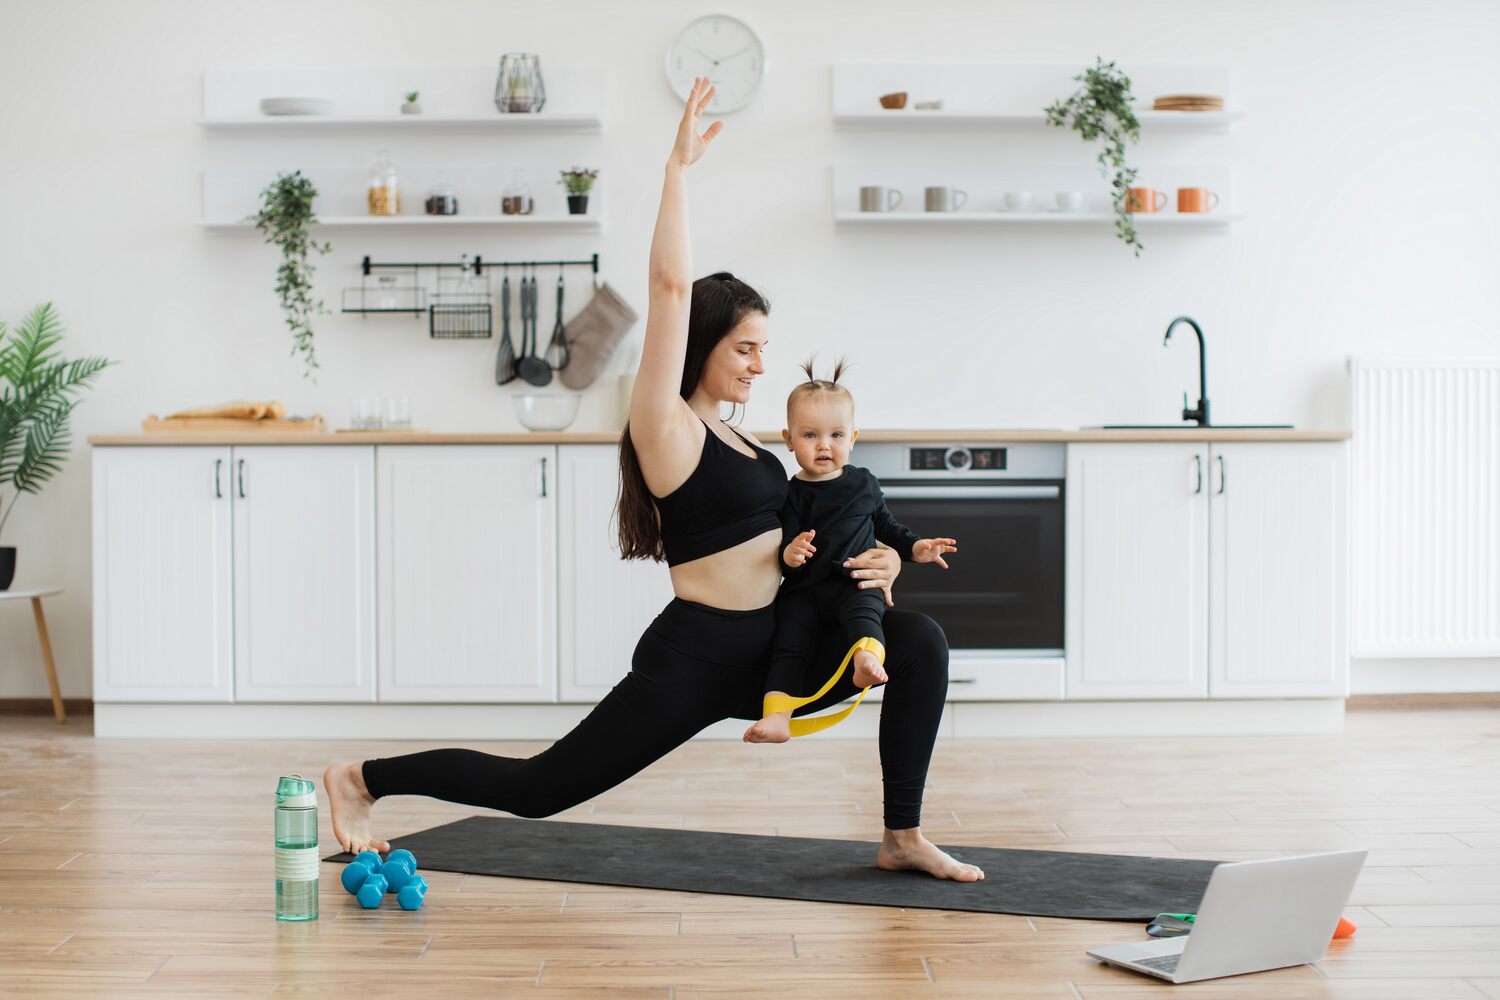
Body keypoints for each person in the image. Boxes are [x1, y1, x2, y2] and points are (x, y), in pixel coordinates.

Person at [323, 77, 984, 883]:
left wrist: (875, 564)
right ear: (701, 344)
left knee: (920, 642)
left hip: (779, 642)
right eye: (745, 348)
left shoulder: (753, 443)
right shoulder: (666, 428)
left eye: (764, 350)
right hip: (699, 657)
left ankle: (901, 834)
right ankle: (362, 780)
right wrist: (676, 170)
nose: (759, 364)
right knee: (542, 789)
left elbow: (807, 535)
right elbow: (671, 288)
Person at [743, 359, 958, 744]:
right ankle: (777, 717)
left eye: (836, 435)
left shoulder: (863, 484)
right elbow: (781, 547)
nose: (824, 445)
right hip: (804, 592)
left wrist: (916, 548)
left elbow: (887, 528)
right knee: (789, 644)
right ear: (788, 439)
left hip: (853, 582)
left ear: (853, 438)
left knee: (866, 613)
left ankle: (865, 660)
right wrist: (790, 554)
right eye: (809, 435)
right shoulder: (789, 493)